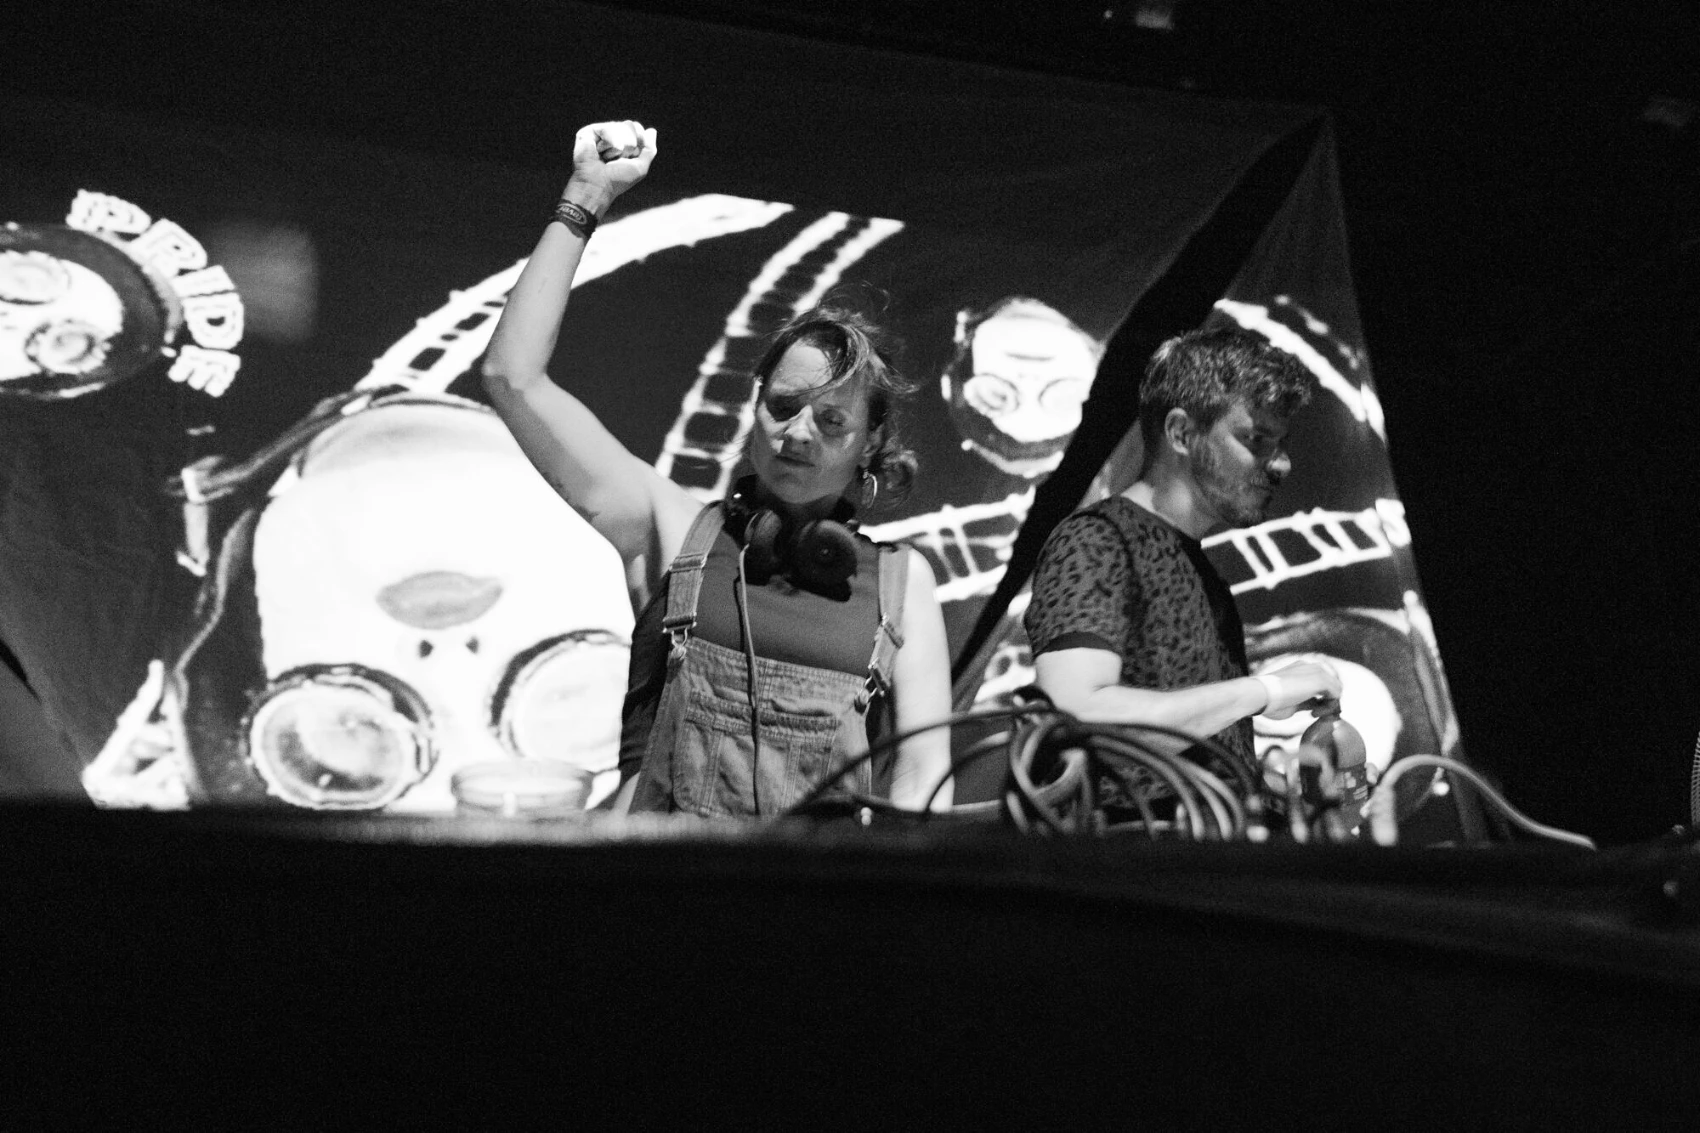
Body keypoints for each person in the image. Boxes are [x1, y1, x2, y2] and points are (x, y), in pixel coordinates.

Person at [481, 119, 952, 816]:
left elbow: (923, 780)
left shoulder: (902, 585)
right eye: (784, 406)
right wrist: (585, 199)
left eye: (831, 421)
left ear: (869, 442)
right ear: (754, 407)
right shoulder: (674, 530)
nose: (799, 433)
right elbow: (512, 377)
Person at [1023, 326, 1342, 797]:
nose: (1281, 465)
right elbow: (1077, 719)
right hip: (1129, 843)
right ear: (1181, 433)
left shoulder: (1202, 573)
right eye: (1257, 439)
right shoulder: (1096, 540)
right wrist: (1265, 692)